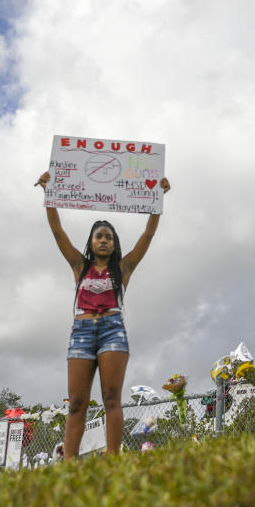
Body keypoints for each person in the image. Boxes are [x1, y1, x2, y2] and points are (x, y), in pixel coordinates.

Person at [36, 171, 171, 458]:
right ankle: (69, 463)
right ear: (91, 241)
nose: (104, 240)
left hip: (112, 330)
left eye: (109, 237)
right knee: (76, 402)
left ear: (114, 243)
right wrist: (49, 194)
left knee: (111, 398)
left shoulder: (123, 268)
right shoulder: (78, 265)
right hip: (82, 333)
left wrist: (157, 200)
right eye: (99, 236)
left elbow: (147, 236)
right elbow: (58, 232)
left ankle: (113, 458)